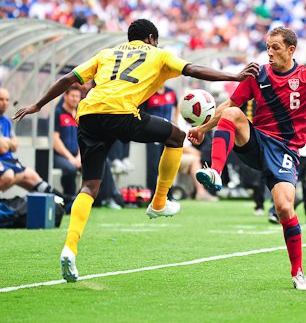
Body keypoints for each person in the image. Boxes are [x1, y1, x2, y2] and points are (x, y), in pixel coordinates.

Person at [13, 19, 259, 283]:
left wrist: (38, 105)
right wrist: (235, 76)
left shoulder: (107, 53)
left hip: (88, 115)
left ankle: (69, 249)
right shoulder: (158, 54)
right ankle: (159, 202)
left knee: (89, 186)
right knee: (176, 137)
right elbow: (192, 69)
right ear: (151, 38)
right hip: (121, 113)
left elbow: (68, 78)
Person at [188, 26, 306, 290]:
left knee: (285, 208)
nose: (269, 52)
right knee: (232, 114)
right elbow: (229, 106)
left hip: (285, 150)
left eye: (275, 47)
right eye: (267, 47)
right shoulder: (258, 74)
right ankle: (215, 172)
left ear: (291, 50)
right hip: (257, 142)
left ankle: (298, 272)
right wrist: (202, 128)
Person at [0, 88, 64, 198]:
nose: (4, 103)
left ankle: (59, 198)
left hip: (8, 160)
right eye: (1, 99)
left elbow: (15, 145)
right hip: (3, 163)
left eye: (7, 100)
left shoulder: (6, 121)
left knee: (32, 175)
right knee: (9, 175)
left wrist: (7, 143)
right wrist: (8, 143)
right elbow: (2, 148)